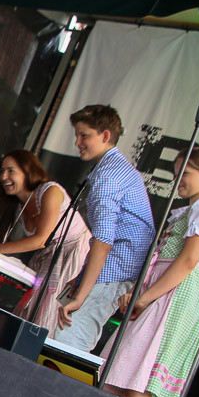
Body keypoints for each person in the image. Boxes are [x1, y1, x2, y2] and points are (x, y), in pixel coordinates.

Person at [100, 147, 199, 397]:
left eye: (186, 173)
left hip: (174, 293)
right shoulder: (191, 209)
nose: (178, 179)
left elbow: (187, 261)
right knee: (127, 376)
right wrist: (140, 291)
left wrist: (145, 297)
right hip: (162, 288)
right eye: (177, 173)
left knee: (137, 380)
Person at [54, 105, 154, 351]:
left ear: (105, 136)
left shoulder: (108, 177)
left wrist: (80, 296)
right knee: (68, 340)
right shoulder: (115, 169)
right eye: (76, 135)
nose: (77, 142)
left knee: (68, 342)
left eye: (84, 135)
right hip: (118, 269)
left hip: (114, 271)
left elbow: (104, 241)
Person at [0, 150, 92, 333]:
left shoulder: (50, 190)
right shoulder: (18, 208)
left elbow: (41, 240)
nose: (4, 176)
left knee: (48, 318)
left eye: (11, 171)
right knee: (30, 314)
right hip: (49, 258)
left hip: (73, 254)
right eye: (2, 171)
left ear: (28, 171)